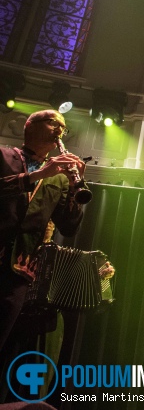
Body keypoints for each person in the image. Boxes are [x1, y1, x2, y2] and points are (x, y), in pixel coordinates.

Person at [0, 109, 87, 351]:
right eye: (53, 123)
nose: (60, 129)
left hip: (18, 272)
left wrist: (73, 189)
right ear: (29, 125)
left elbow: (68, 227)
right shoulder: (4, 156)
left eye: (63, 127)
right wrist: (39, 174)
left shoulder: (58, 178)